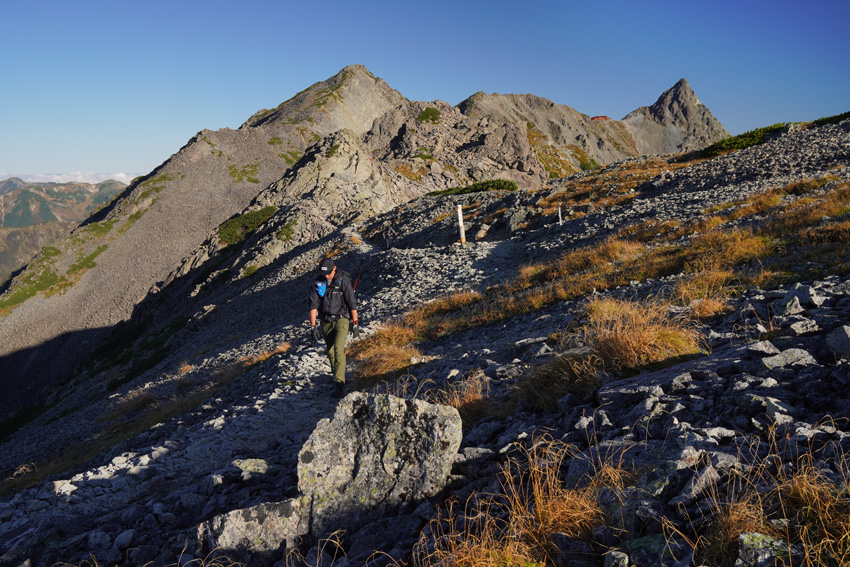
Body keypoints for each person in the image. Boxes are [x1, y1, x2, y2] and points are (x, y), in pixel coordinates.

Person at [308, 257, 359, 395]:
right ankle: (336, 373)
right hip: (325, 321)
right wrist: (313, 326)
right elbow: (313, 305)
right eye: (324, 273)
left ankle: (339, 383)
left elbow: (351, 302)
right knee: (330, 351)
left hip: (342, 319)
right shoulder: (317, 283)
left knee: (338, 349)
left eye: (329, 273)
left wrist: (355, 323)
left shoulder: (343, 280)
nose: (326, 276)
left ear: (334, 268)